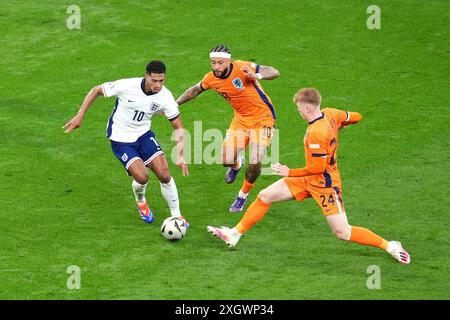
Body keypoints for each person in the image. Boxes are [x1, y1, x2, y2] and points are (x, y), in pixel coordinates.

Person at [207, 88, 411, 264]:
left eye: (298, 108)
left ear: (307, 108)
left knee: (343, 232)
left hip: (324, 184)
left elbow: (318, 167)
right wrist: (341, 125)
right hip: (308, 179)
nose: (298, 112)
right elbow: (356, 116)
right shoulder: (331, 114)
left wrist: (289, 172)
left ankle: (391, 246)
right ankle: (234, 234)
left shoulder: (316, 133)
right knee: (265, 196)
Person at [63, 60, 189, 226]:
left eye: (161, 81)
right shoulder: (127, 86)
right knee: (142, 177)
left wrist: (180, 154)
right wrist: (80, 115)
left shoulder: (165, 96)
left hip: (143, 135)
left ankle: (177, 216)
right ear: (146, 76)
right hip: (120, 138)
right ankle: (141, 200)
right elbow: (96, 90)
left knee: (164, 174)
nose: (158, 85)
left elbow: (178, 125)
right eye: (154, 81)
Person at [176, 45, 280, 212]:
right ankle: (237, 165)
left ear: (229, 61)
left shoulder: (242, 67)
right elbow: (194, 91)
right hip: (240, 120)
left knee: (255, 161)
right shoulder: (210, 78)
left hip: (263, 119)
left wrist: (257, 75)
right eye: (213, 63)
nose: (216, 67)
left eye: (220, 63)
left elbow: (274, 71)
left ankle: (242, 196)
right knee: (225, 160)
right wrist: (175, 104)